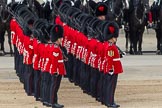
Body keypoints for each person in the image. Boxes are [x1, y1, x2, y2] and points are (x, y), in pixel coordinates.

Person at [102, 22, 123, 108]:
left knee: (111, 86)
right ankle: (110, 102)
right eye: (114, 37)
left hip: (114, 67)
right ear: (111, 37)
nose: (116, 39)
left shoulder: (111, 45)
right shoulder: (110, 46)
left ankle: (110, 101)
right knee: (111, 86)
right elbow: (110, 59)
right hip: (113, 69)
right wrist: (110, 69)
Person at [49, 24, 66, 108]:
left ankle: (55, 101)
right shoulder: (55, 48)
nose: (61, 39)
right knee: (54, 86)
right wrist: (55, 71)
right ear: (57, 38)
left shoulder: (57, 47)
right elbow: (55, 61)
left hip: (58, 69)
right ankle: (53, 102)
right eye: (60, 38)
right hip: (56, 70)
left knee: (56, 86)